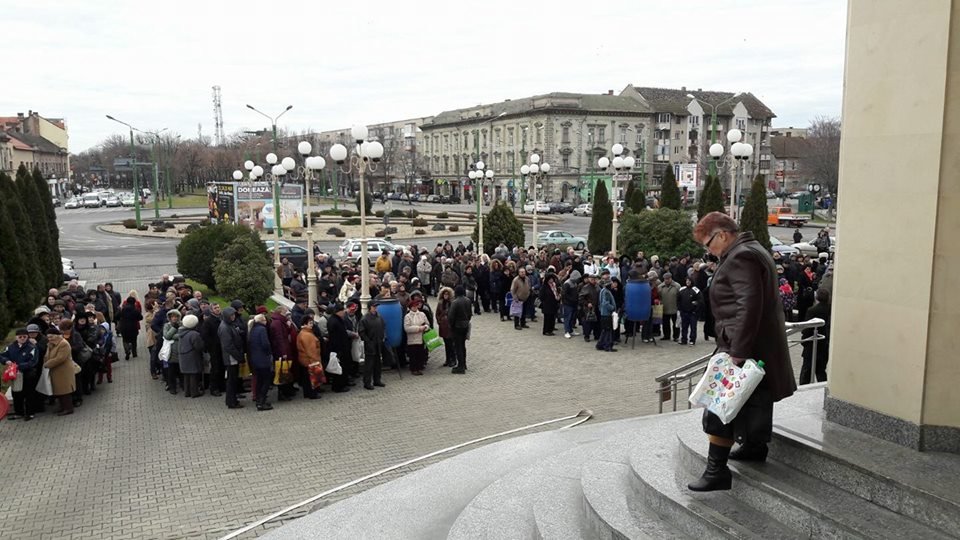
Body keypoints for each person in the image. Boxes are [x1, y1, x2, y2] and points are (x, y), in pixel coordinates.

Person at [689, 212, 795, 492]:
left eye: (708, 243)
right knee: (754, 401)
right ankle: (754, 447)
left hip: (740, 344)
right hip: (752, 343)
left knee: (719, 406)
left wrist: (738, 352)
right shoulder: (753, 249)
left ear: (722, 235)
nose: (708, 251)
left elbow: (748, 307)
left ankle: (716, 472)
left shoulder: (740, 257)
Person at [2, 328, 38, 420]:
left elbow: (33, 362)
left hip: (28, 374)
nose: (22, 338)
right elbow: (1, 355)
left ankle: (30, 413)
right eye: (20, 337)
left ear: (27, 337)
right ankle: (19, 413)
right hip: (15, 375)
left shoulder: (32, 347)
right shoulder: (10, 347)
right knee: (16, 393)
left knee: (29, 394)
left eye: (24, 336)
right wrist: (6, 361)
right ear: (16, 337)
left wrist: (18, 366)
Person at [800, 288, 831, 384]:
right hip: (825, 345)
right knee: (821, 371)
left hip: (812, 344)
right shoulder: (831, 309)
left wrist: (804, 341)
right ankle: (824, 391)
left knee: (806, 372)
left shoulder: (812, 311)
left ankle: (802, 393)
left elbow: (807, 328)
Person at [44, 326, 75, 416]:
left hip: (64, 371)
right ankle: (62, 407)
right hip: (55, 371)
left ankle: (68, 408)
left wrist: (47, 364)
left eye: (51, 336)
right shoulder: (51, 344)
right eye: (48, 337)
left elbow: (60, 358)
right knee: (58, 390)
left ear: (57, 335)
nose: (49, 339)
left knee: (65, 390)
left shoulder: (63, 344)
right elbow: (47, 355)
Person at [218, 307, 245, 409]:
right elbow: (228, 346)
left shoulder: (229, 325)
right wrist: (239, 356)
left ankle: (232, 399)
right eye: (231, 315)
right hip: (231, 358)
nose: (233, 317)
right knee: (231, 380)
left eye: (234, 315)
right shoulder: (225, 328)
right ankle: (231, 401)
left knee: (233, 380)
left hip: (233, 357)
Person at [358, 300, 386, 389]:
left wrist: (383, 337)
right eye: (374, 307)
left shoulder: (379, 317)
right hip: (370, 344)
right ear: (369, 308)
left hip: (378, 343)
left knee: (378, 364)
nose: (375, 308)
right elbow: (362, 332)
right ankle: (367, 382)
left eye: (376, 307)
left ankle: (377, 380)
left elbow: (383, 327)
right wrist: (368, 342)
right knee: (369, 365)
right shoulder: (364, 319)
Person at [248, 313, 274, 411]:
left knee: (259, 381)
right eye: (265, 320)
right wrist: (269, 353)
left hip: (255, 359)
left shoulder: (253, 329)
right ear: (262, 321)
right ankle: (261, 402)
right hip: (263, 359)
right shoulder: (262, 329)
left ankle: (259, 400)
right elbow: (265, 344)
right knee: (266, 381)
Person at [296, 312, 322, 399]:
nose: (312, 325)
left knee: (306, 378)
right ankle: (312, 394)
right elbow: (311, 350)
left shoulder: (303, 333)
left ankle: (307, 393)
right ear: (305, 324)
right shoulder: (307, 335)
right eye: (310, 323)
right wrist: (315, 361)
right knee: (311, 378)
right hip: (310, 360)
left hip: (304, 360)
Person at [178, 314, 205, 398]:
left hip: (183, 355)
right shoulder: (194, 334)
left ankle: (187, 392)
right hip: (192, 356)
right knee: (193, 374)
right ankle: (194, 392)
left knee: (186, 375)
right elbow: (199, 346)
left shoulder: (181, 332)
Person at [447, 286, 472, 374]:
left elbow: (451, 316)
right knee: (463, 345)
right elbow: (470, 314)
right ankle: (464, 364)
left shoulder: (455, 302)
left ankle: (460, 366)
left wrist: (451, 325)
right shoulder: (468, 300)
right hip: (465, 325)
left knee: (458, 346)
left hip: (457, 326)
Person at [200, 303, 223, 397]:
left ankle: (222, 386)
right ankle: (214, 388)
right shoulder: (208, 322)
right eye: (215, 308)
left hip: (222, 347)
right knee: (215, 368)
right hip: (214, 348)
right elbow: (205, 336)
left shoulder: (221, 318)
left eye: (218, 307)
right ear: (211, 310)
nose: (217, 309)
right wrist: (212, 345)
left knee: (222, 367)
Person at [404, 297, 429, 375]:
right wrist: (418, 328)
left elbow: (427, 323)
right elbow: (407, 328)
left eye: (416, 306)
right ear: (410, 307)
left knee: (420, 354)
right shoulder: (407, 316)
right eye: (413, 306)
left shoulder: (422, 314)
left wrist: (425, 327)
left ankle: (419, 368)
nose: (415, 307)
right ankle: (413, 369)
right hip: (412, 339)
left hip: (421, 338)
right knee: (413, 355)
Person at [435, 287, 456, 366]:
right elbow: (437, 313)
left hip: (450, 326)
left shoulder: (452, 303)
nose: (445, 295)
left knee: (451, 344)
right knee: (446, 344)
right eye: (444, 294)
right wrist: (439, 321)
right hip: (443, 326)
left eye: (447, 294)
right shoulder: (440, 303)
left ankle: (453, 359)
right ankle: (447, 359)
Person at [163, 310, 182, 395]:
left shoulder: (182, 324)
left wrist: (173, 336)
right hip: (171, 351)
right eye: (172, 317)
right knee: (171, 371)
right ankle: (172, 387)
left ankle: (183, 385)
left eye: (176, 316)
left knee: (181, 370)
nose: (174, 318)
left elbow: (183, 334)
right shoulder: (167, 325)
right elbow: (166, 336)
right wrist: (174, 328)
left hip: (181, 350)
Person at [657, 272, 681, 342]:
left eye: (668, 279)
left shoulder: (677, 286)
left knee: (676, 324)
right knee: (665, 324)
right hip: (665, 308)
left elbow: (680, 297)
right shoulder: (660, 287)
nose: (666, 280)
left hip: (675, 308)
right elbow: (659, 297)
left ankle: (676, 336)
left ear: (671, 278)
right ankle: (666, 335)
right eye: (665, 279)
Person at [678, 276, 701, 346]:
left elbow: (700, 300)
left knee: (693, 327)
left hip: (693, 313)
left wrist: (696, 308)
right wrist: (680, 309)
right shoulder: (682, 289)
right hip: (684, 312)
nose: (688, 282)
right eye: (687, 281)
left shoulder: (696, 290)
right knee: (684, 327)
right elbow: (678, 300)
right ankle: (684, 339)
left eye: (689, 281)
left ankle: (692, 340)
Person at [596, 279, 616, 352]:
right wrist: (612, 308)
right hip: (607, 314)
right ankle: (607, 346)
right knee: (608, 330)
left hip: (604, 313)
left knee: (605, 330)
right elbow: (605, 303)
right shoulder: (606, 292)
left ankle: (600, 344)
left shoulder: (603, 290)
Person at [562, 270, 581, 339]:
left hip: (573, 303)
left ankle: (570, 330)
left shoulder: (575, 283)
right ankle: (567, 331)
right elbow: (564, 294)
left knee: (572, 318)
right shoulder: (567, 283)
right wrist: (571, 299)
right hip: (568, 304)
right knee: (567, 318)